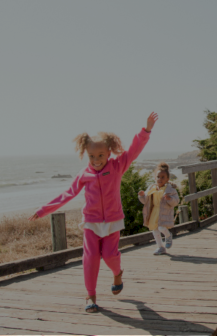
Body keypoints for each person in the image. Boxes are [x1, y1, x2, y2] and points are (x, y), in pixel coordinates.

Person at [28, 112, 158, 313]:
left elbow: (133, 151)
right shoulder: (84, 175)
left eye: (100, 156)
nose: (96, 160)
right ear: (86, 153)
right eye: (91, 156)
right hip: (91, 222)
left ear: (108, 152)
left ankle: (118, 272)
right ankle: (90, 295)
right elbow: (68, 194)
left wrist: (146, 130)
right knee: (90, 257)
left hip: (113, 220)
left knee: (109, 255)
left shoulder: (116, 166)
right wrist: (44, 210)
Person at [138, 162, 179, 255]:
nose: (160, 179)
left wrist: (170, 199)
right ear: (155, 177)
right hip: (153, 212)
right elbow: (145, 201)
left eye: (163, 177)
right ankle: (160, 247)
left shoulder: (170, 189)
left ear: (167, 179)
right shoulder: (152, 187)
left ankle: (168, 236)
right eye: (158, 177)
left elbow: (176, 201)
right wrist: (141, 196)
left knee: (161, 227)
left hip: (164, 213)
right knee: (155, 230)